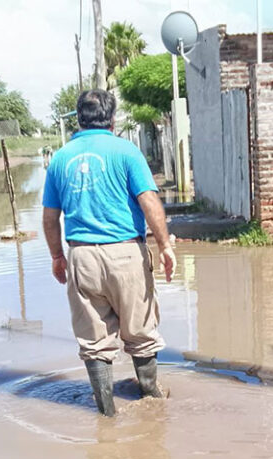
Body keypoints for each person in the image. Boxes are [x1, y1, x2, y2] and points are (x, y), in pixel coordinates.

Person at [42, 89, 176, 417]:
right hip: (126, 253)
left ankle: (106, 414)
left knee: (93, 341)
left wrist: (58, 257)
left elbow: (49, 217)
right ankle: (152, 398)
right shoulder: (126, 151)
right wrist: (165, 245)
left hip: (82, 257)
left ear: (79, 119)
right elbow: (148, 202)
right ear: (112, 119)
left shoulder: (60, 158)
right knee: (141, 331)